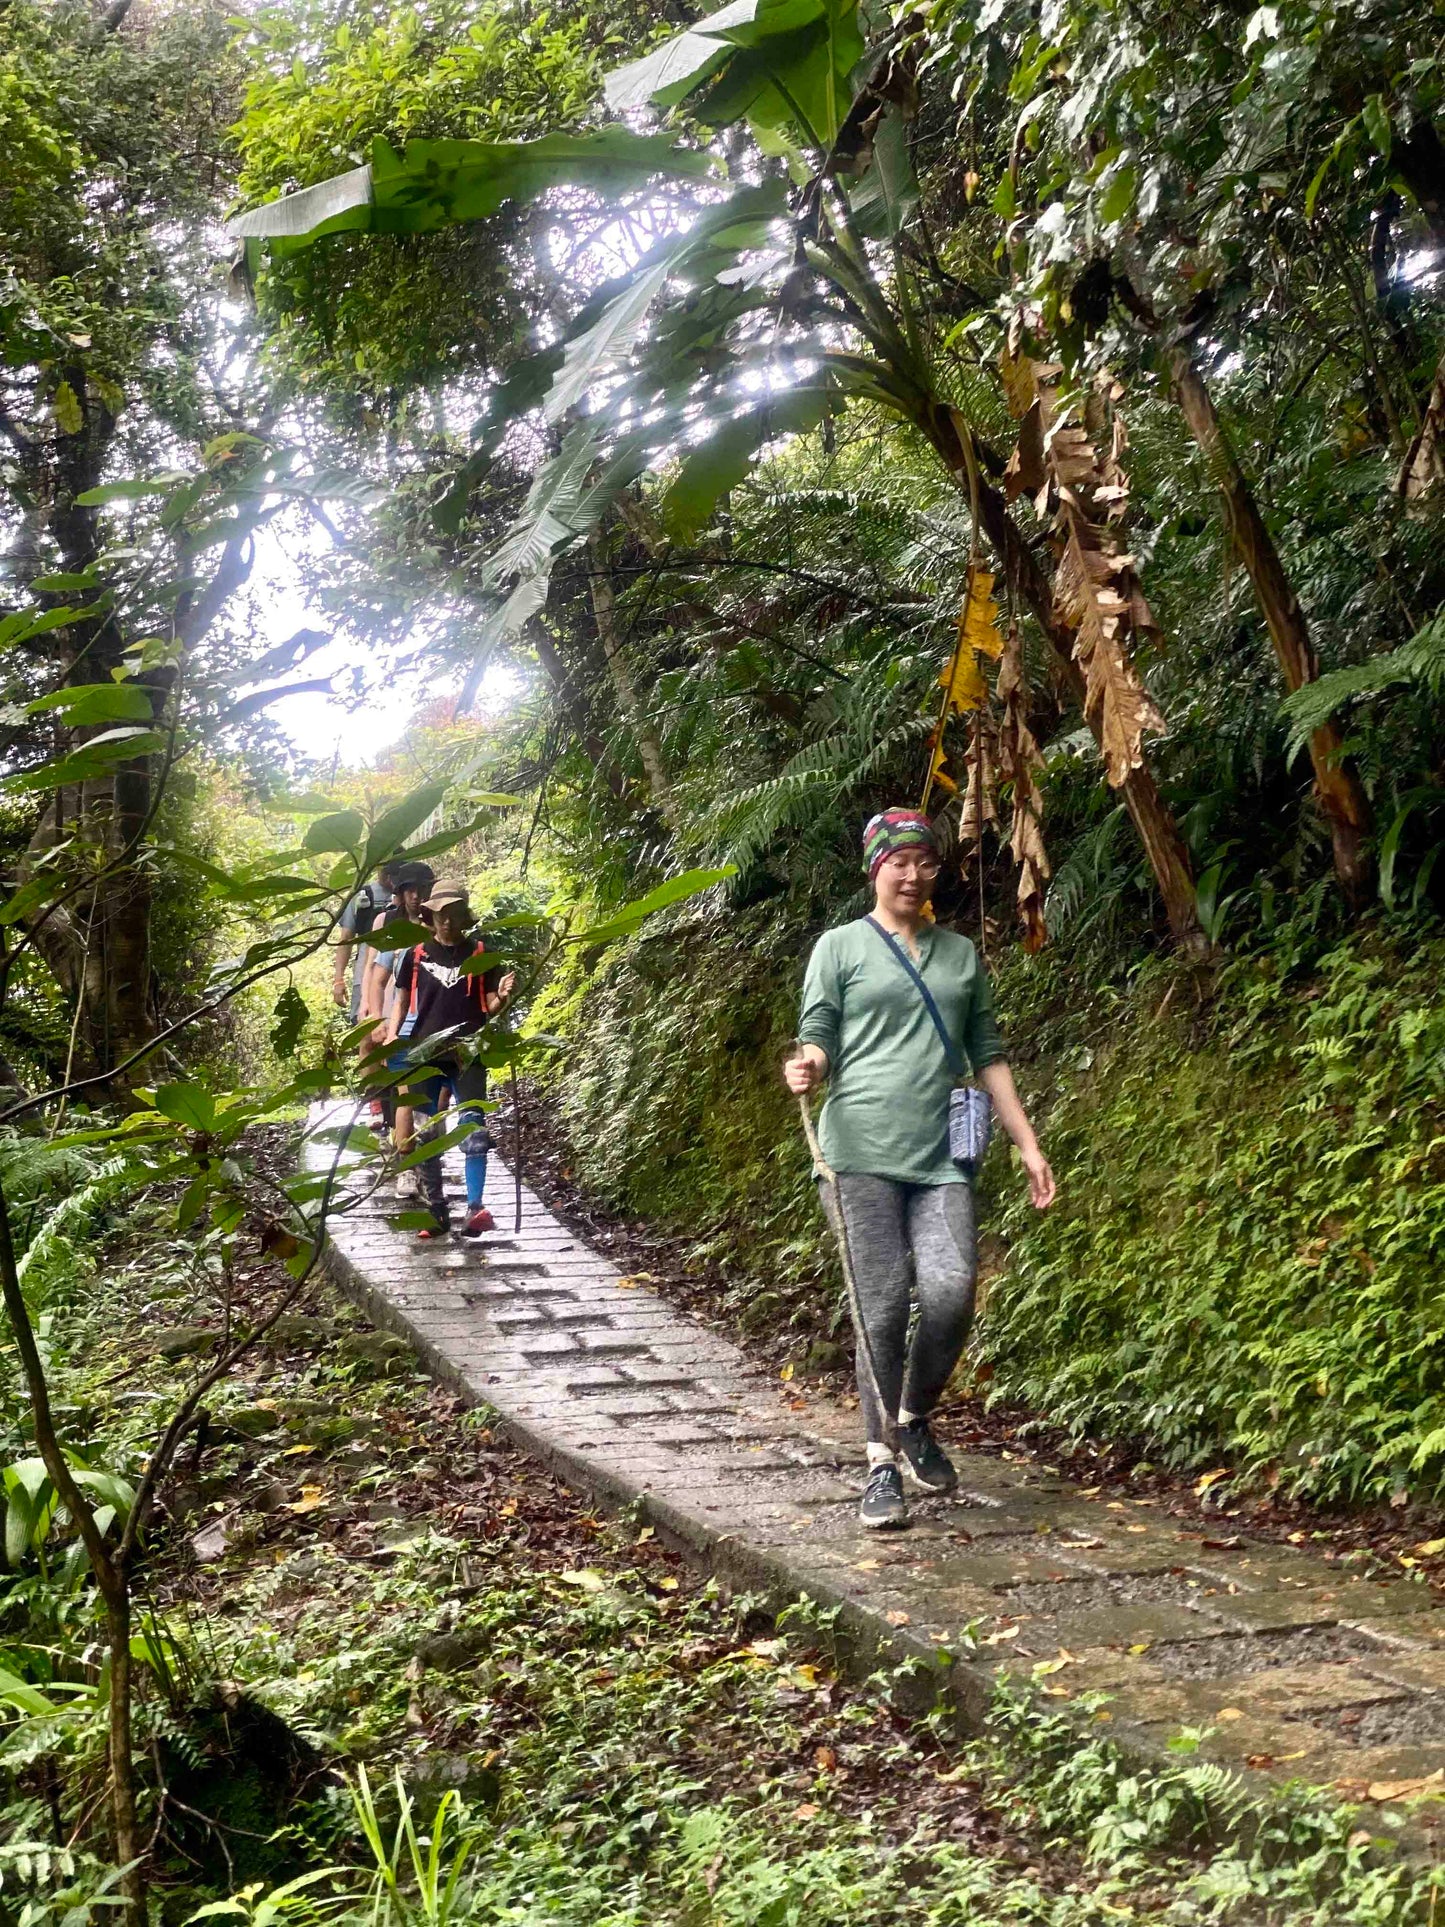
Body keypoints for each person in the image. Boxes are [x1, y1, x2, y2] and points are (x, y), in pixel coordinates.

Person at [784, 807, 1056, 1530]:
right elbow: (816, 1035)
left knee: (950, 1290)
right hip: (856, 1152)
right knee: (879, 1302)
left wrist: (1027, 1143)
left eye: (923, 861)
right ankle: (878, 1464)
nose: (909, 873)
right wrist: (807, 1065)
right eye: (895, 861)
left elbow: (987, 1052)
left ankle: (913, 1418)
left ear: (936, 870)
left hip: (940, 1153)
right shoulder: (838, 948)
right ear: (873, 868)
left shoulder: (960, 955)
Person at [382, 879, 516, 1239]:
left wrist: (502, 996)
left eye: (453, 914)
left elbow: (488, 1007)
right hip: (425, 1051)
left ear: (463, 916)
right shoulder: (415, 954)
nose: (446, 922)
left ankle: (475, 1208)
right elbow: (400, 999)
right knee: (427, 1131)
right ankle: (436, 1211)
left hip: (468, 1051)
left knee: (474, 1128)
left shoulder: (482, 954)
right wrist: (394, 1034)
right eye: (440, 915)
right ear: (431, 915)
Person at [362, 860, 435, 1193]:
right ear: (401, 893)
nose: (417, 897)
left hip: (438, 1022)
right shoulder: (393, 929)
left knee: (435, 1103)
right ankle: (406, 1165)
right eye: (410, 891)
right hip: (402, 1020)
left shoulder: (441, 925)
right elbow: (377, 977)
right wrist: (377, 1018)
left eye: (422, 890)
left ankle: (430, 1168)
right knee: (406, 1094)